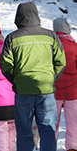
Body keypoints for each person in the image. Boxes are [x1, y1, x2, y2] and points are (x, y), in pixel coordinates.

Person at [0, 2, 66, 151]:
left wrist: (16, 80)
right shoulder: (51, 36)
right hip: (46, 89)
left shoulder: (12, 37)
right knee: (48, 129)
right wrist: (51, 78)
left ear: (18, 17)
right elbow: (61, 62)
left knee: (24, 132)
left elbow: (4, 65)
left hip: (23, 91)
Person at [53, 17, 77, 151]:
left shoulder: (51, 46)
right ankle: (72, 146)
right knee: (73, 121)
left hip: (54, 90)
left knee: (53, 121)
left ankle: (51, 143)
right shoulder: (74, 46)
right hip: (72, 91)